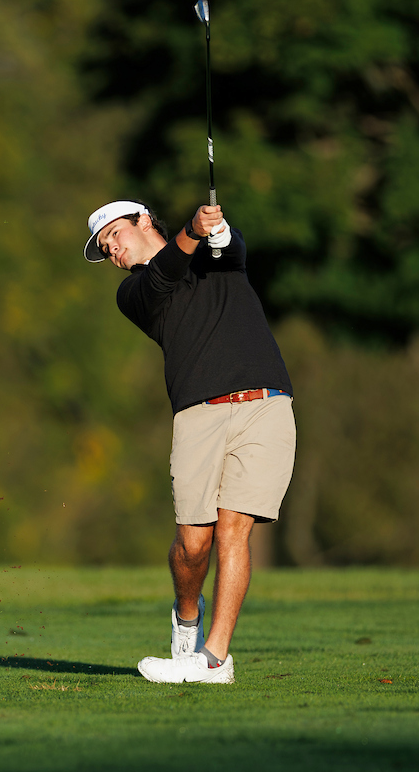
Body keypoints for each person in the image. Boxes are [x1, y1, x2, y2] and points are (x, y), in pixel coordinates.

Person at [84, 199, 296, 684]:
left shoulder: (213, 257)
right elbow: (165, 274)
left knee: (234, 529)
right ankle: (186, 616)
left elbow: (234, 252)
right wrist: (193, 231)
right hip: (199, 414)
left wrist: (220, 234)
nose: (112, 250)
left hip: (266, 402)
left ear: (143, 220)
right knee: (193, 545)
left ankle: (215, 659)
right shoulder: (133, 292)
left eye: (114, 235)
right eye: (104, 247)